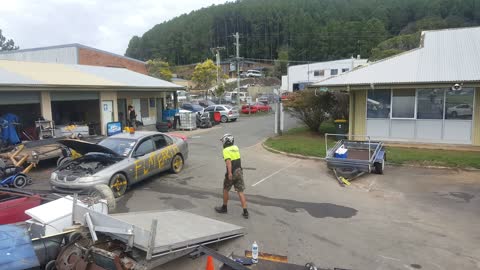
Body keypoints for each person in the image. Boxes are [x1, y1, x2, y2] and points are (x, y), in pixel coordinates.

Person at [215, 134, 249, 219]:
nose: (222, 143)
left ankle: (224, 208)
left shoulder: (226, 150)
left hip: (232, 172)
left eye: (223, 141)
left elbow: (228, 162)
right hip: (239, 171)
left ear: (226, 141)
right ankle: (245, 211)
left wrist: (229, 173)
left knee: (226, 189)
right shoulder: (236, 148)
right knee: (240, 191)